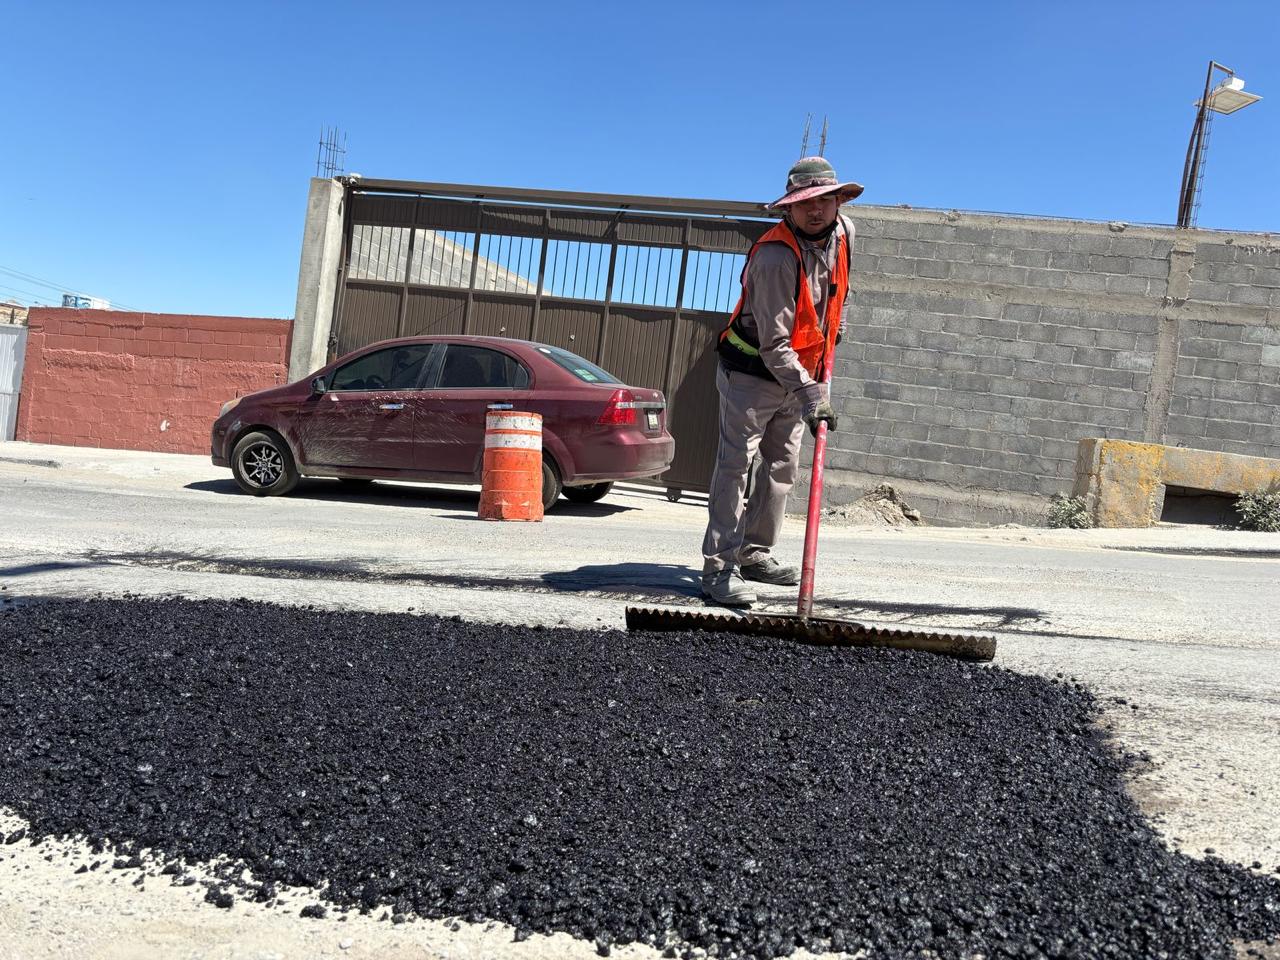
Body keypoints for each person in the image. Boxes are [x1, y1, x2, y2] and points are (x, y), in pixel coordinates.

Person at [700, 157, 863, 607]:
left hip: (802, 370)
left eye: (824, 199)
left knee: (781, 466)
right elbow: (774, 345)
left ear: (838, 201)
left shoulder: (845, 233)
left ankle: (754, 553)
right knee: (736, 465)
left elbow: (843, 290)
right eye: (805, 202)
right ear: (789, 207)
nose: (816, 210)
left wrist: (837, 328)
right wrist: (813, 394)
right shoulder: (774, 257)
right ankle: (718, 568)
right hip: (752, 372)